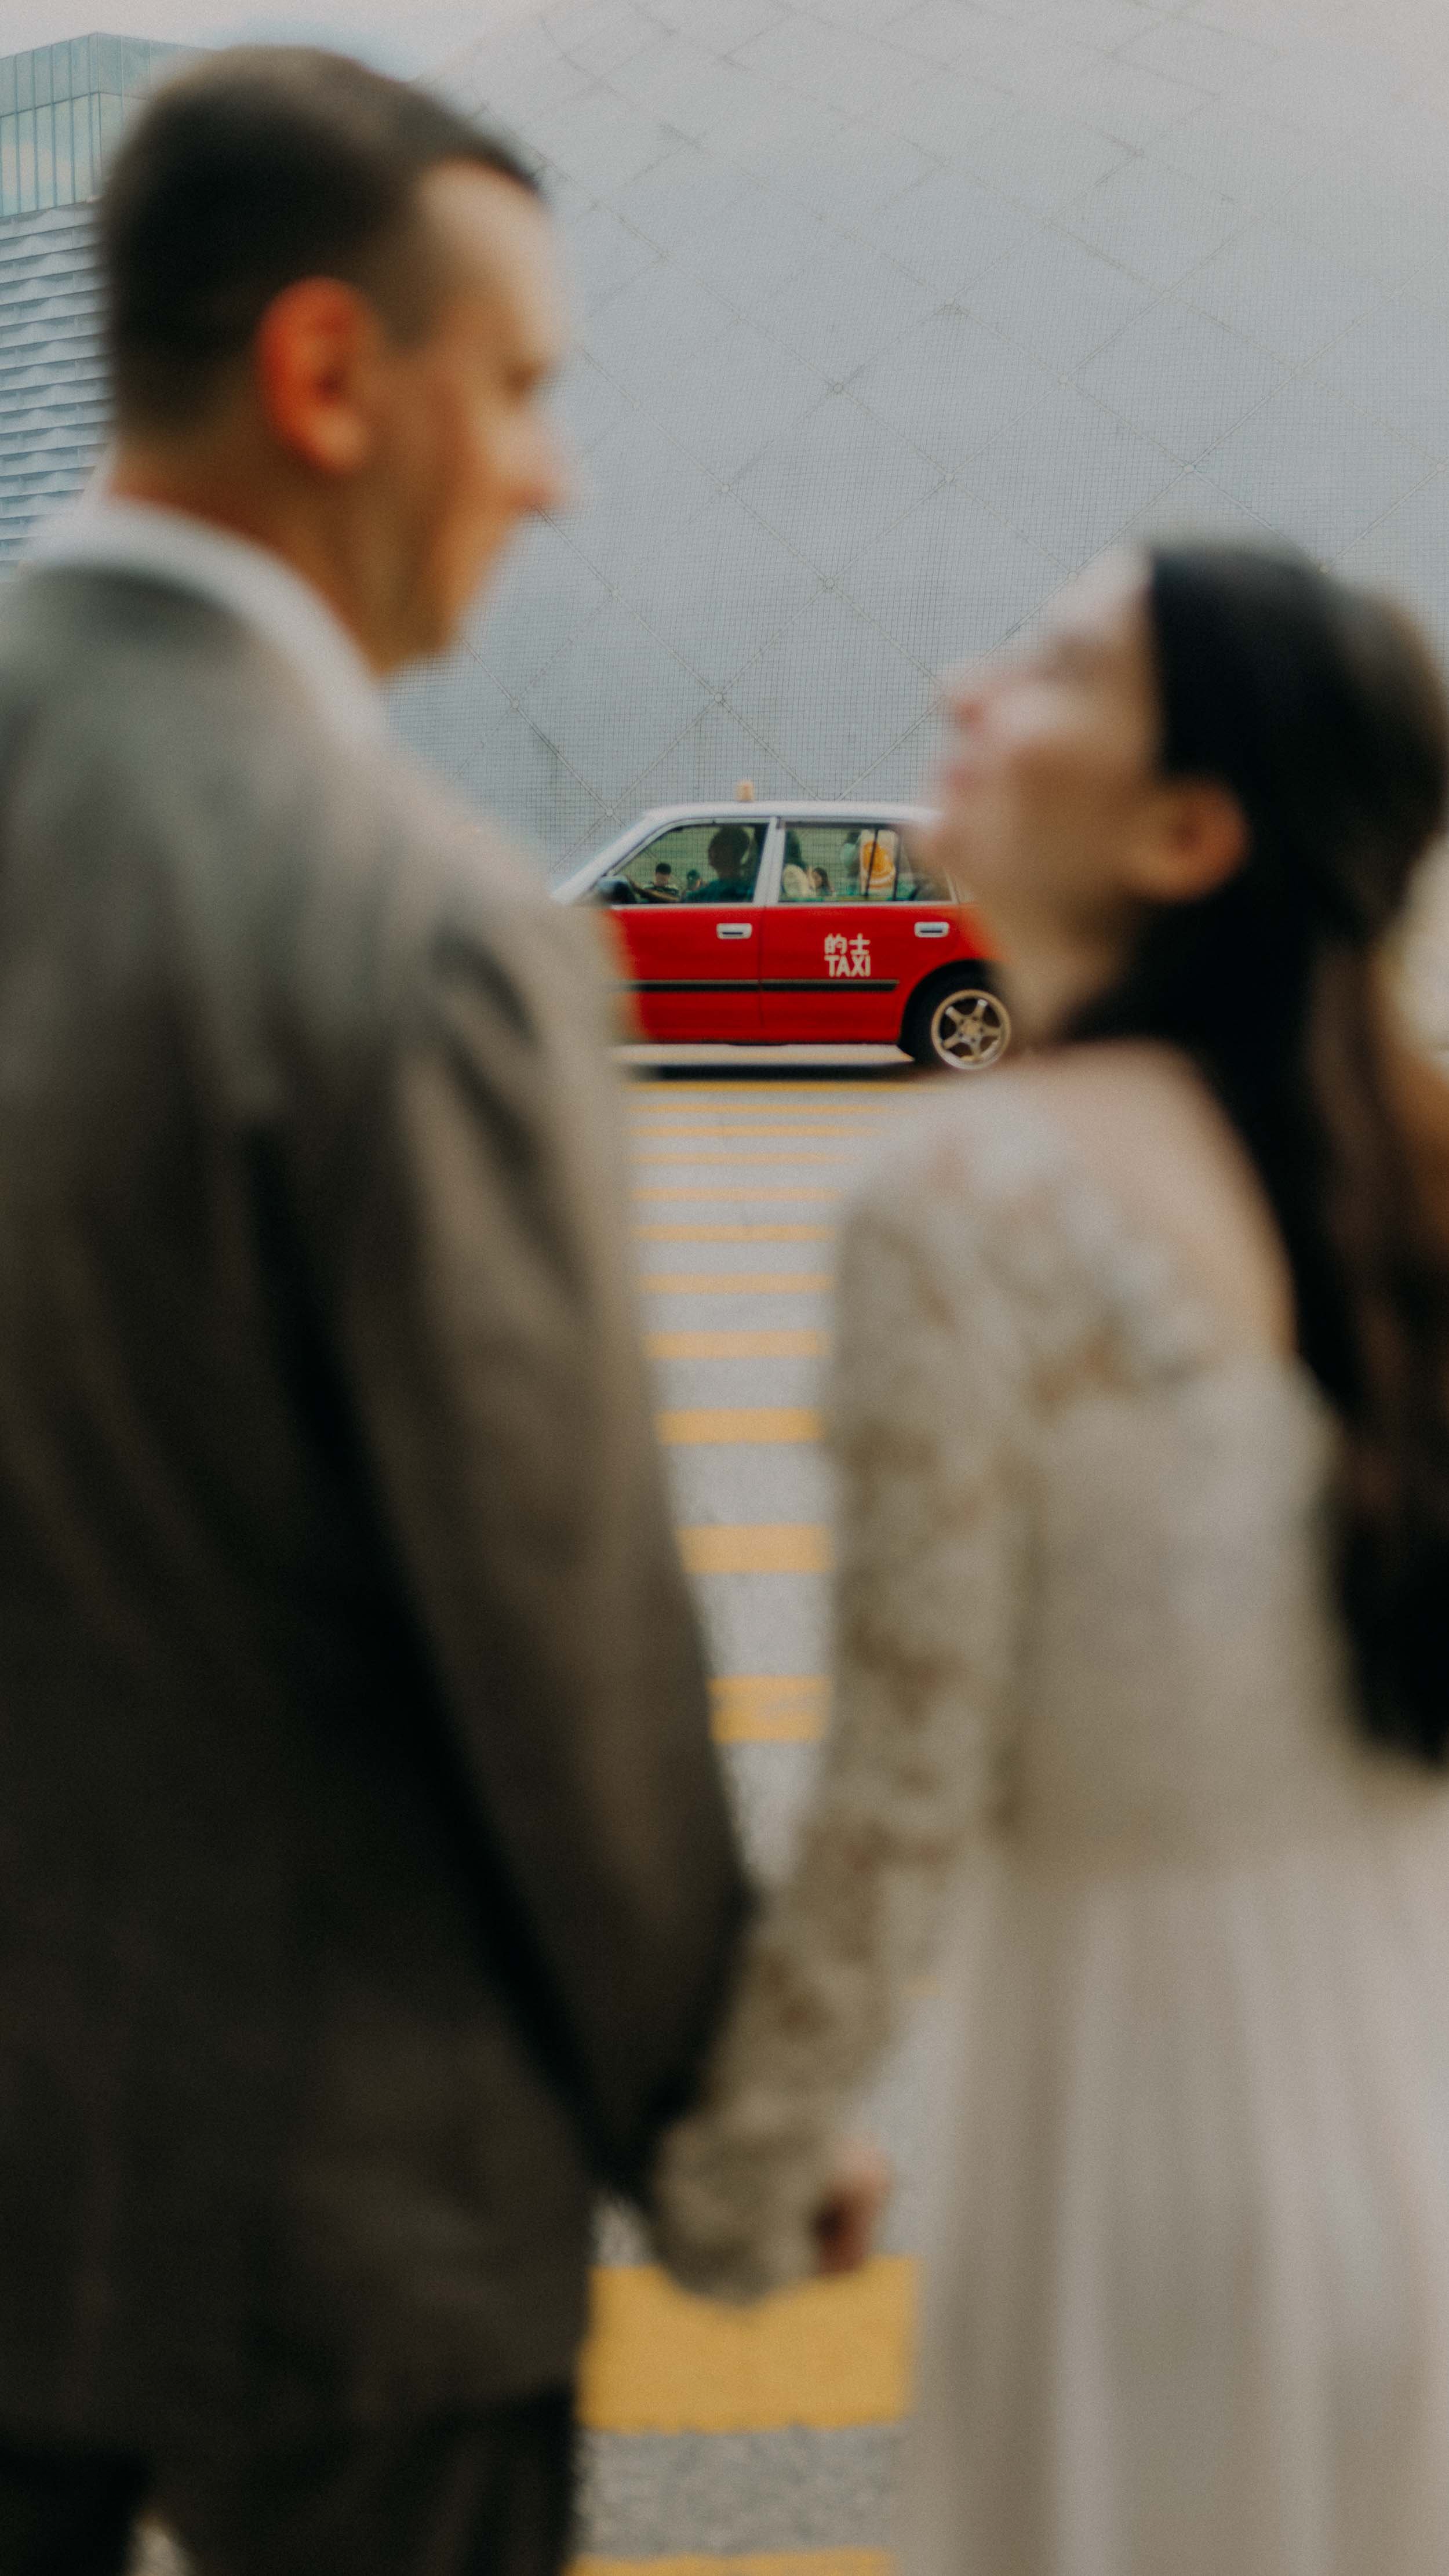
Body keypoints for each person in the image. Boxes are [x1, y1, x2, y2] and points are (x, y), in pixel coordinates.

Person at [0, 47, 746, 2576]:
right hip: (341, 2209)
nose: (547, 474)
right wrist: (711, 2102)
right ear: (332, 375)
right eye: (519, 387)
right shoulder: (414, 922)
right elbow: (555, 1617)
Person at [654, 543, 1449, 2576]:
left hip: (1147, 2155)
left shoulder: (969, 1190)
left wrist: (742, 2167)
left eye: (1059, 667)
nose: (966, 684)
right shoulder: (1390, 1179)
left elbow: (900, 1784)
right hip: (1397, 2116)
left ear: (1189, 829)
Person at [683, 824, 757, 899]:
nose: (709, 851)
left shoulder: (741, 892)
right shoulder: (713, 887)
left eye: (715, 845)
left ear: (730, 852)